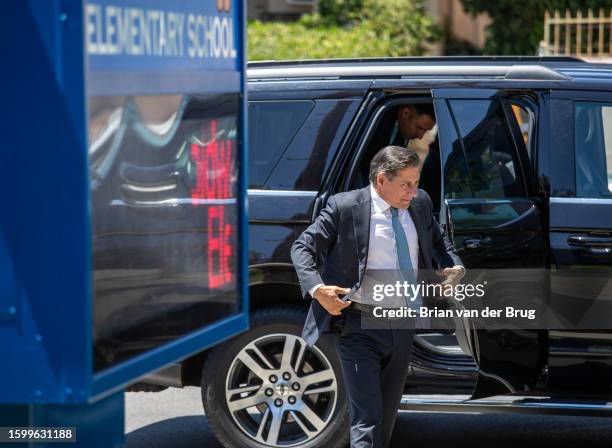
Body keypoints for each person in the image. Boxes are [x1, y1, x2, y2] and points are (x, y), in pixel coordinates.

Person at [291, 146, 464, 448]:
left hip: (404, 323)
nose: (413, 191)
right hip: (359, 325)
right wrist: (318, 290)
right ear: (382, 180)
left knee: (385, 418)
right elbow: (302, 248)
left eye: (416, 182)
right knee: (367, 420)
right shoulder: (344, 207)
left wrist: (454, 265)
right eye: (405, 184)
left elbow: (438, 239)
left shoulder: (419, 203)